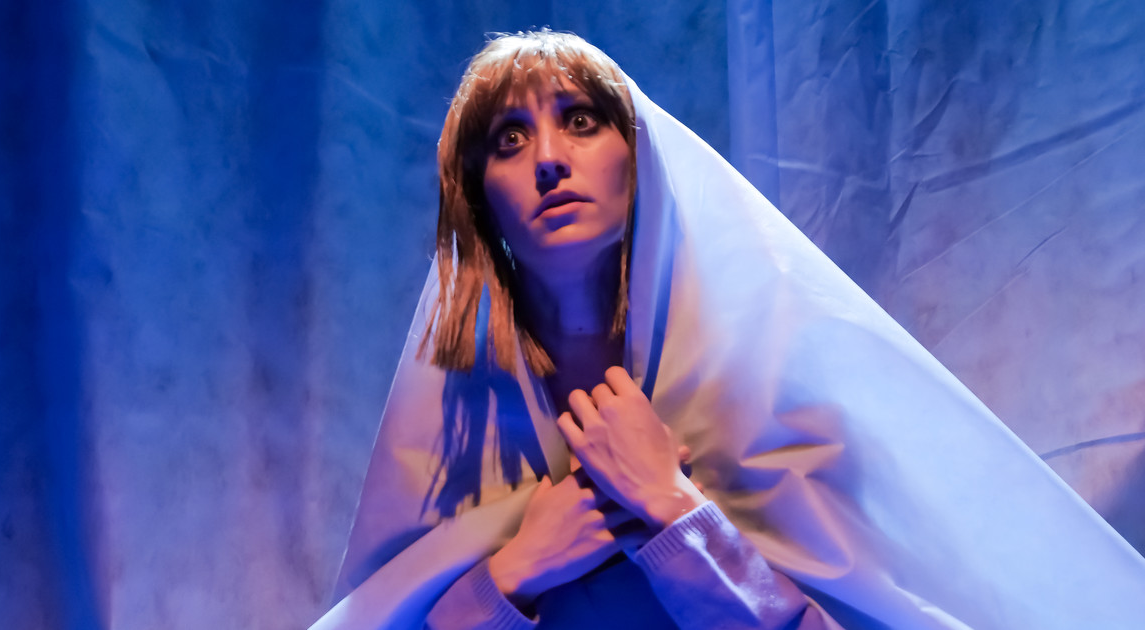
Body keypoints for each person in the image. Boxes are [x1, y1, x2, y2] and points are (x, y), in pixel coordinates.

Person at [311, 31, 1145, 630]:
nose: (550, 160)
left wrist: (676, 511)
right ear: (478, 196)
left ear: (641, 155)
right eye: (510, 138)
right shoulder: (459, 434)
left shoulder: (772, 390)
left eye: (582, 120)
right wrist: (514, 572)